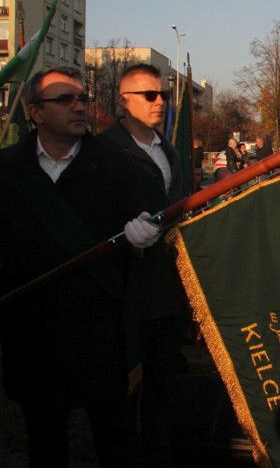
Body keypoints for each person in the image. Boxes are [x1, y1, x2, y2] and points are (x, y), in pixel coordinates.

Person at [0, 66, 161, 468]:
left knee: (116, 441)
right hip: (33, 332)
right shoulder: (1, 169)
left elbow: (147, 218)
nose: (79, 106)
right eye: (64, 99)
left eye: (82, 98)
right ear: (35, 112)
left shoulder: (117, 165)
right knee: (45, 444)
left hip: (100, 331)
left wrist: (144, 233)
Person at [100, 63, 190, 468]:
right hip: (126, 293)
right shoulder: (102, 150)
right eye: (149, 95)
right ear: (123, 101)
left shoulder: (168, 148)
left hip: (168, 293)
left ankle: (159, 455)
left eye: (163, 95)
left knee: (164, 390)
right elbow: (91, 217)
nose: (160, 103)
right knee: (122, 396)